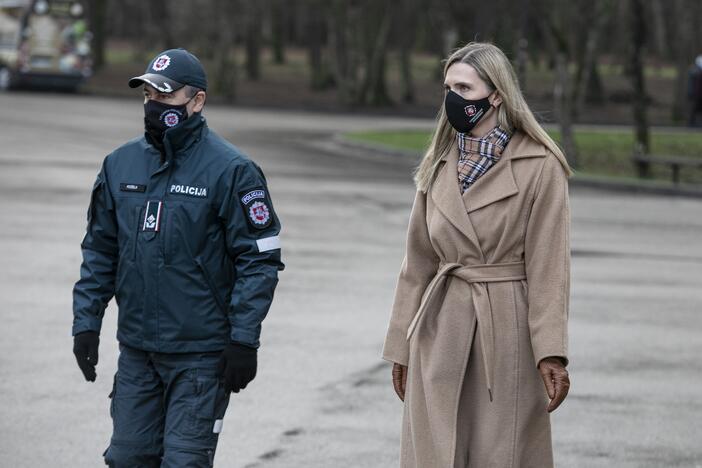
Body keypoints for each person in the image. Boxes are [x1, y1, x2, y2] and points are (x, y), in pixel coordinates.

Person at [72, 48, 284, 467]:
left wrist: (244, 339)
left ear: (197, 100)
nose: (154, 104)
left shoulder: (232, 171)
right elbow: (100, 249)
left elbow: (258, 260)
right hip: (137, 351)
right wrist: (87, 323)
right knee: (127, 459)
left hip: (201, 357)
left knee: (184, 463)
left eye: (165, 96)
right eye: (148, 94)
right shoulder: (120, 165)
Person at [382, 42, 571, 468]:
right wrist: (400, 346)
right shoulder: (438, 162)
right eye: (448, 87)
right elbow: (416, 263)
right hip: (439, 325)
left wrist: (551, 352)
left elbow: (549, 268)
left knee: (499, 451)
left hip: (505, 329)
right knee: (436, 450)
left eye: (464, 88)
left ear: (497, 94)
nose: (453, 99)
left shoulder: (541, 165)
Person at [688, 54, 702, 127]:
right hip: (696, 94)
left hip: (697, 94)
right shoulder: (695, 72)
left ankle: (693, 123)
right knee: (695, 109)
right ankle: (691, 123)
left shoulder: (694, 72)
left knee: (696, 109)